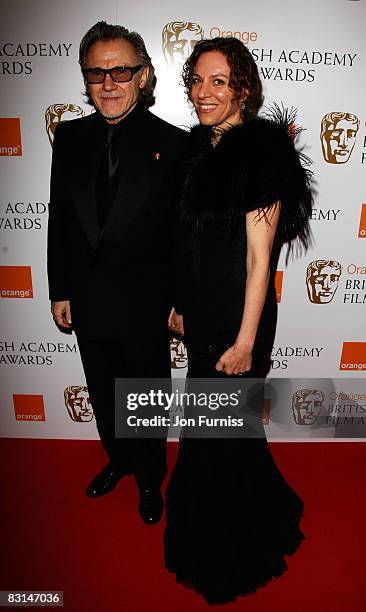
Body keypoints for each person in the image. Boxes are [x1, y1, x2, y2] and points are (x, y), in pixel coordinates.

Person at [164, 37, 313, 603]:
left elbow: (259, 258)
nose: (204, 93)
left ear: (243, 88)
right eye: (197, 81)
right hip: (203, 312)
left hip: (238, 317)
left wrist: (247, 338)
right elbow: (192, 242)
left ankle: (232, 546)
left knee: (219, 432)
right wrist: (180, 302)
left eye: (218, 81)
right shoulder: (201, 148)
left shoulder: (261, 155)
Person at [47, 21, 187, 524]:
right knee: (104, 393)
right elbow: (59, 216)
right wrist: (58, 288)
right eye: (96, 73)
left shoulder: (176, 145)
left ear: (144, 76)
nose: (108, 83)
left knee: (145, 397)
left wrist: (181, 299)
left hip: (146, 300)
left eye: (121, 70)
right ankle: (119, 460)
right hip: (86, 298)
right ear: (85, 80)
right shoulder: (69, 136)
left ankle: (151, 478)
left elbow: (184, 234)